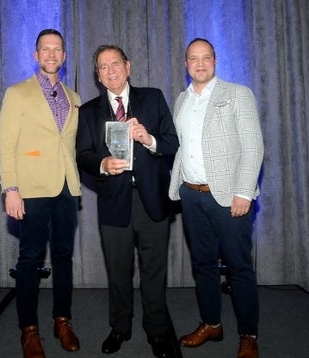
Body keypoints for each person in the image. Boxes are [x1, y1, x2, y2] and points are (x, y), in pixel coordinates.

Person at [76, 45, 181, 358]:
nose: (110, 70)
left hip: (152, 202)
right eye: (103, 67)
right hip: (114, 204)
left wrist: (148, 139)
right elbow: (82, 155)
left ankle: (158, 331)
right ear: (98, 75)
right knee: (118, 271)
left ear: (128, 65)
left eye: (115, 63)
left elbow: (173, 144)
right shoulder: (89, 111)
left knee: (154, 271)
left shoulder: (154, 97)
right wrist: (101, 165)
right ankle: (120, 327)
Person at [168, 38, 264, 358]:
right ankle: (211, 324)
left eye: (205, 57)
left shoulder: (237, 94)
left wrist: (243, 192)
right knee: (203, 265)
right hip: (192, 197)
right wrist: (177, 187)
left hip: (229, 198)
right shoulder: (181, 100)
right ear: (186, 64)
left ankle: (248, 333)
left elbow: (253, 147)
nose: (199, 63)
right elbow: (181, 148)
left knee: (239, 268)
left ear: (215, 60)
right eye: (193, 59)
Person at [0, 29, 81, 358]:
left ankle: (62, 321)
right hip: (30, 189)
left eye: (57, 49)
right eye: (45, 49)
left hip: (66, 188)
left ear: (63, 55)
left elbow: (71, 145)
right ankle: (29, 330)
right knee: (29, 259)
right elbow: (6, 145)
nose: (51, 54)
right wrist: (11, 189)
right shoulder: (17, 93)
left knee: (63, 259)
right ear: (36, 55)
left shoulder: (74, 97)